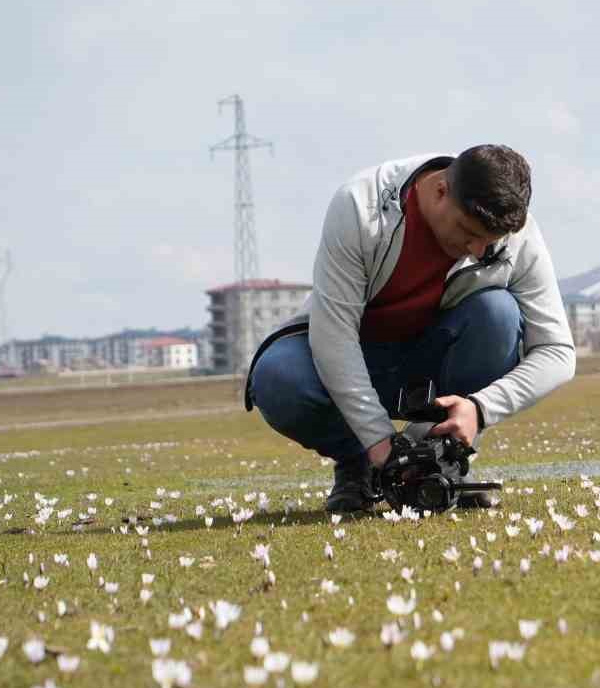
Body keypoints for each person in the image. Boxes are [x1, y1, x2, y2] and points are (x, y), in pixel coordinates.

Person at [245, 144, 575, 512]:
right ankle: (359, 466)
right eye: (468, 232)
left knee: (498, 314)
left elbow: (558, 351)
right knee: (277, 377)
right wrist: (378, 443)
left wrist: (480, 409)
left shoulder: (517, 234)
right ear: (439, 191)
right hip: (352, 356)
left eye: (490, 241)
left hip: (431, 361)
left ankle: (440, 458)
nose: (479, 251)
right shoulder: (361, 206)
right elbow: (334, 337)